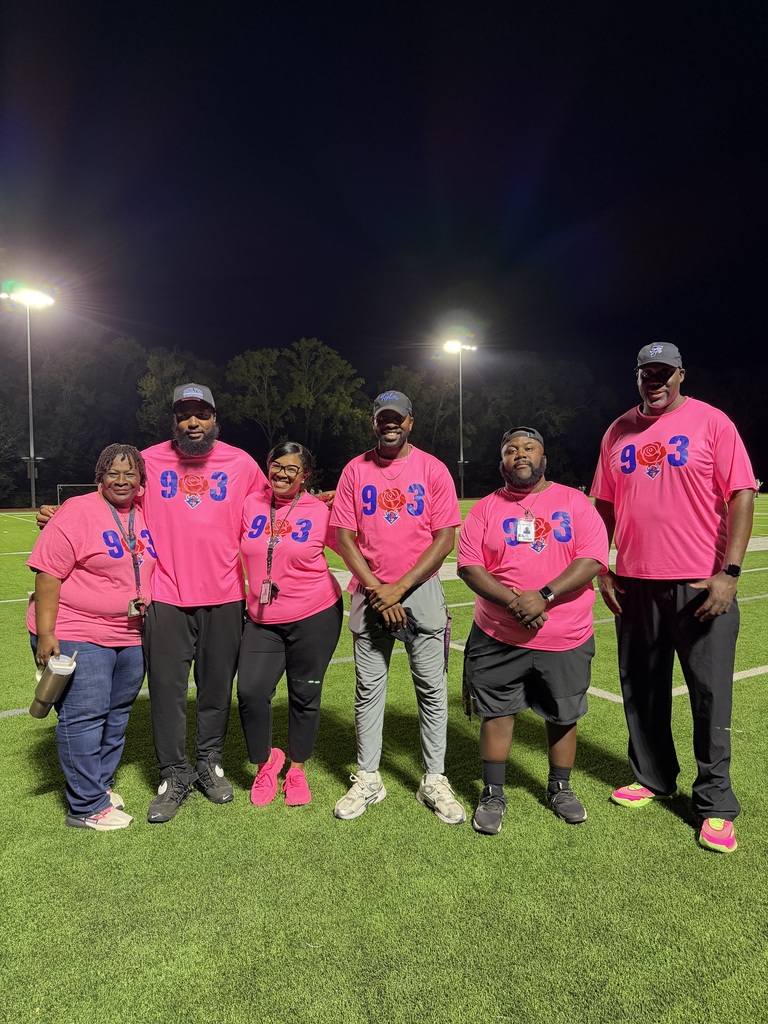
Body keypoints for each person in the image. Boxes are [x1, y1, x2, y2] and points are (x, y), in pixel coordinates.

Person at [38, 382, 268, 822]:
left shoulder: (241, 463)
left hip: (224, 595)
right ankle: (173, 773)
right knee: (166, 691)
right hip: (164, 597)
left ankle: (209, 763)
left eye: (201, 414)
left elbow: (271, 504)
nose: (193, 422)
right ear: (174, 421)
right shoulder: (150, 460)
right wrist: (63, 510)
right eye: (184, 415)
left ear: (216, 418)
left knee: (217, 689)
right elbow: (114, 497)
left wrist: (316, 501)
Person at [591, 342, 755, 854]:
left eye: (663, 373)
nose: (654, 382)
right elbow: (604, 502)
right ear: (637, 377)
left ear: (681, 375)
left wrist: (729, 571)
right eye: (646, 373)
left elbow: (741, 493)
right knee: (641, 688)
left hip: (700, 583)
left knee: (709, 695)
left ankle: (715, 801)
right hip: (636, 582)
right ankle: (654, 777)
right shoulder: (618, 430)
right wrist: (603, 567)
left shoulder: (712, 422)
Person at [457, 427, 608, 834]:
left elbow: (593, 557)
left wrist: (544, 595)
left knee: (563, 715)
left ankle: (560, 788)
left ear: (544, 458)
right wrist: (514, 602)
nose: (519, 454)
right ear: (501, 462)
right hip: (498, 634)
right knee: (497, 713)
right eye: (510, 450)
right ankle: (492, 792)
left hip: (565, 634)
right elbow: (469, 566)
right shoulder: (485, 509)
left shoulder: (574, 502)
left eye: (529, 448)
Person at [329, 390, 466, 825]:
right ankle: (369, 777)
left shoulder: (432, 468)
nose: (390, 424)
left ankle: (434, 778)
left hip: (420, 591)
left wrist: (400, 587)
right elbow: (343, 537)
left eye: (397, 418)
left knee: (431, 690)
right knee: (369, 691)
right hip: (370, 593)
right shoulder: (355, 468)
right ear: (374, 422)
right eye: (382, 418)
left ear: (410, 422)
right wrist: (377, 589)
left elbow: (445, 537)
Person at [27, 444, 156, 830]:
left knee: (117, 714)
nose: (122, 480)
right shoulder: (79, 511)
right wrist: (47, 633)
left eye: (130, 473)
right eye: (113, 473)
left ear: (141, 480)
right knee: (84, 716)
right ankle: (85, 806)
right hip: (77, 628)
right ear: (100, 476)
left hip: (130, 632)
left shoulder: (146, 511)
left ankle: (98, 785)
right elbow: (48, 573)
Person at [238, 442, 343, 807]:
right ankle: (267, 763)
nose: (283, 474)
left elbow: (355, 545)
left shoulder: (320, 511)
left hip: (315, 615)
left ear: (305, 476)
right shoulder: (249, 503)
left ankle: (296, 768)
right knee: (251, 691)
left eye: (292, 469)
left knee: (304, 695)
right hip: (262, 618)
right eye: (276, 466)